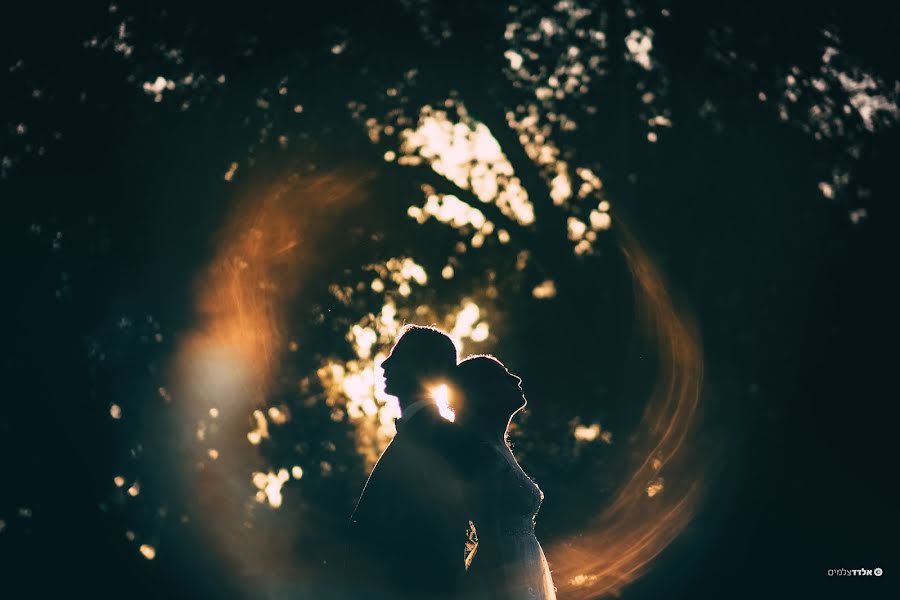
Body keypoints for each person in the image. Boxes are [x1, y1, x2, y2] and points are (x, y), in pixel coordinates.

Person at [345, 325, 469, 599]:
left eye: (397, 356)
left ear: (425, 369)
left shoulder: (439, 438)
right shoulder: (423, 433)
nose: (385, 364)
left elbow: (436, 533)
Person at [453, 355, 557, 600]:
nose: (516, 379)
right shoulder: (484, 453)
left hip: (523, 572)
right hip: (502, 583)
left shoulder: (499, 447)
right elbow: (489, 535)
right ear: (483, 393)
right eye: (503, 376)